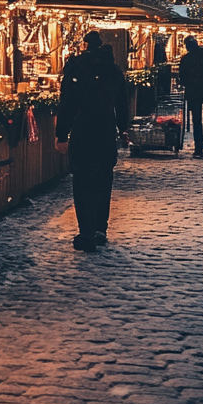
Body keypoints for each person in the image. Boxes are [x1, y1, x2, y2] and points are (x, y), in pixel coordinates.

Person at [56, 31, 129, 252]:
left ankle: (86, 230)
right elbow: (122, 103)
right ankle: (100, 228)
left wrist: (61, 134)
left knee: (81, 180)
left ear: (86, 45)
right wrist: (123, 128)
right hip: (105, 129)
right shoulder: (114, 71)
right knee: (103, 180)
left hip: (83, 129)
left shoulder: (76, 66)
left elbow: (67, 101)